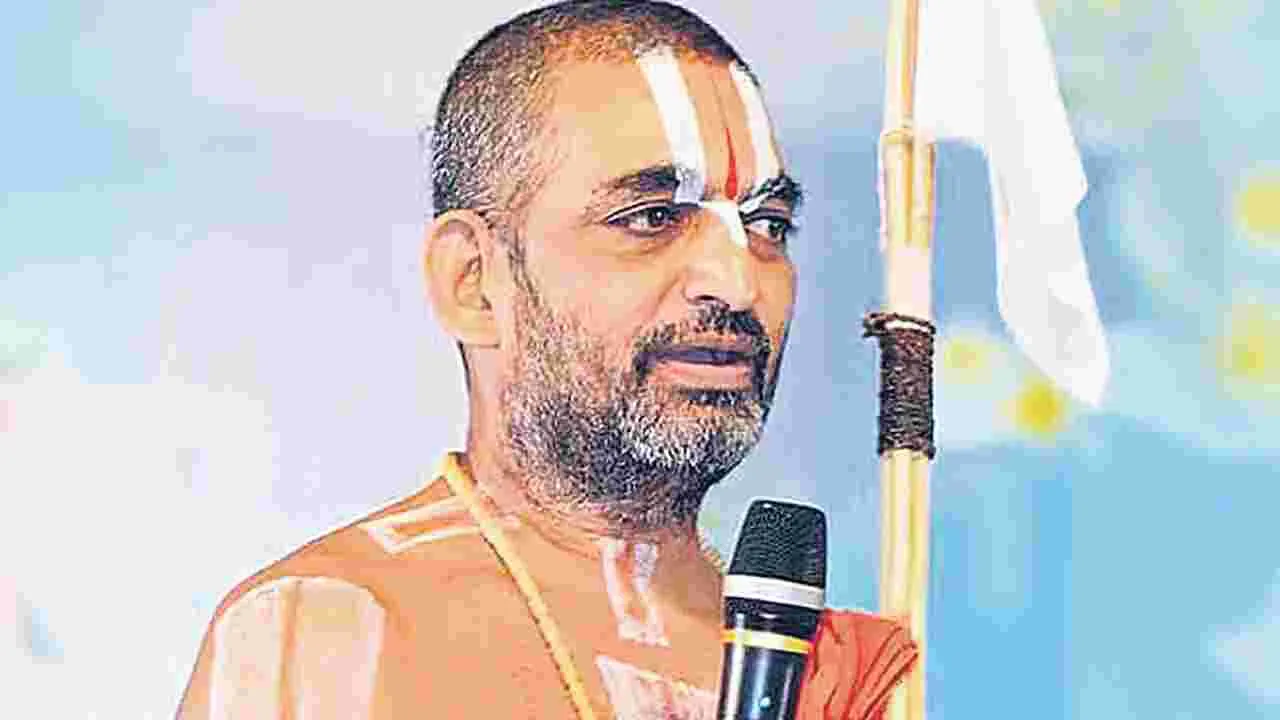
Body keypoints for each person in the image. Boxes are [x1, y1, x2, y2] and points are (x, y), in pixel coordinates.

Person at [175, 2, 917, 718]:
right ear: (474, 282)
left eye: (768, 225)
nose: (739, 282)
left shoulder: (839, 676)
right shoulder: (331, 631)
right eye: (652, 217)